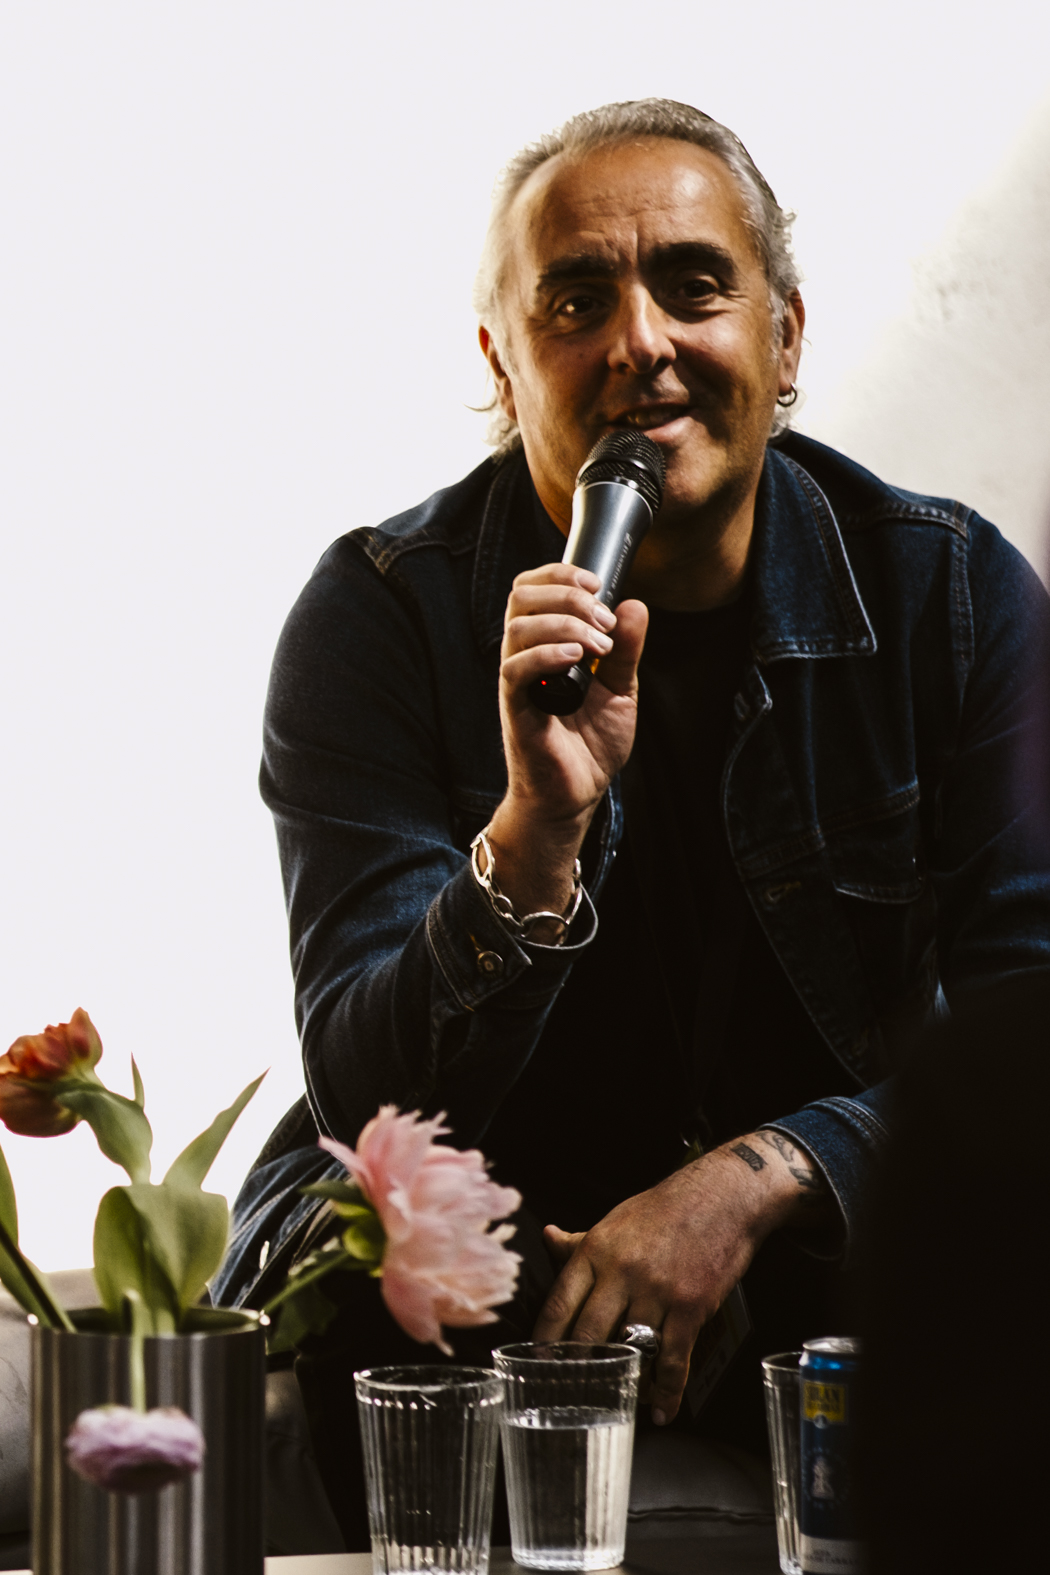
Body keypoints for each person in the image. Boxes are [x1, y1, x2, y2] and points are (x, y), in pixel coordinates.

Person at [213, 98, 1050, 1540]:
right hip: (479, 1256)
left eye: (693, 286)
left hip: (806, 1241)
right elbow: (367, 1095)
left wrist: (751, 1183)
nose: (638, 344)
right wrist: (532, 839)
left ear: (784, 339)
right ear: (503, 365)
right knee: (375, 1269)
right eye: (576, 301)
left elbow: (1029, 1027)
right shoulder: (381, 616)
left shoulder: (951, 597)